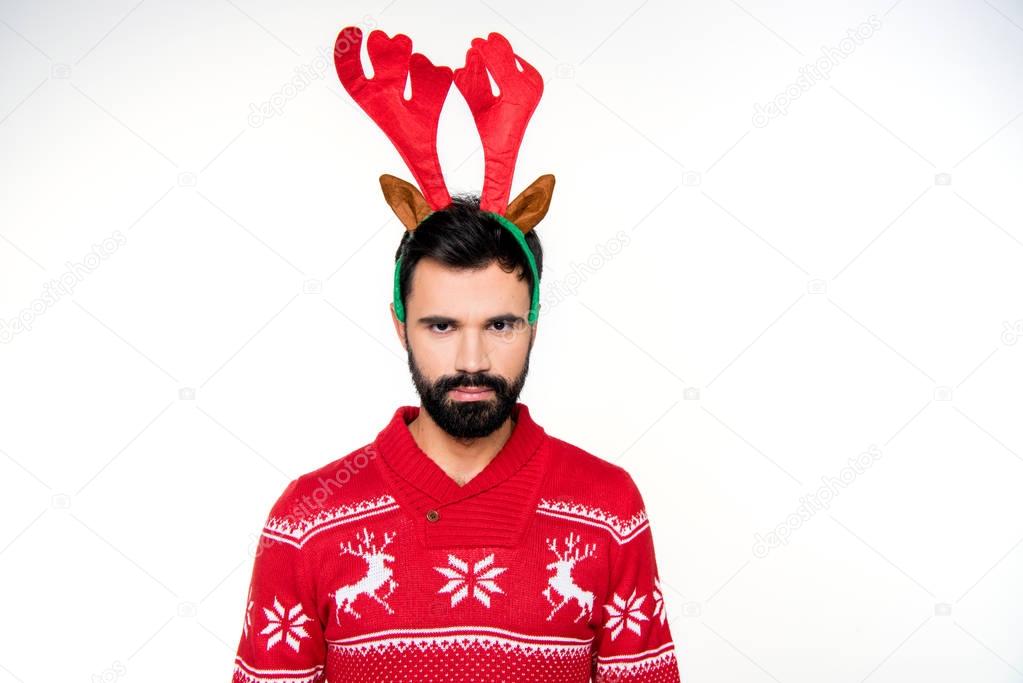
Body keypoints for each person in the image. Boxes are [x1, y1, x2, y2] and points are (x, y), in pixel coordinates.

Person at [230, 24, 681, 683]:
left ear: (531, 323)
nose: (472, 358)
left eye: (498, 324)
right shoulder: (307, 519)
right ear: (400, 325)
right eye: (441, 326)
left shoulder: (608, 508)